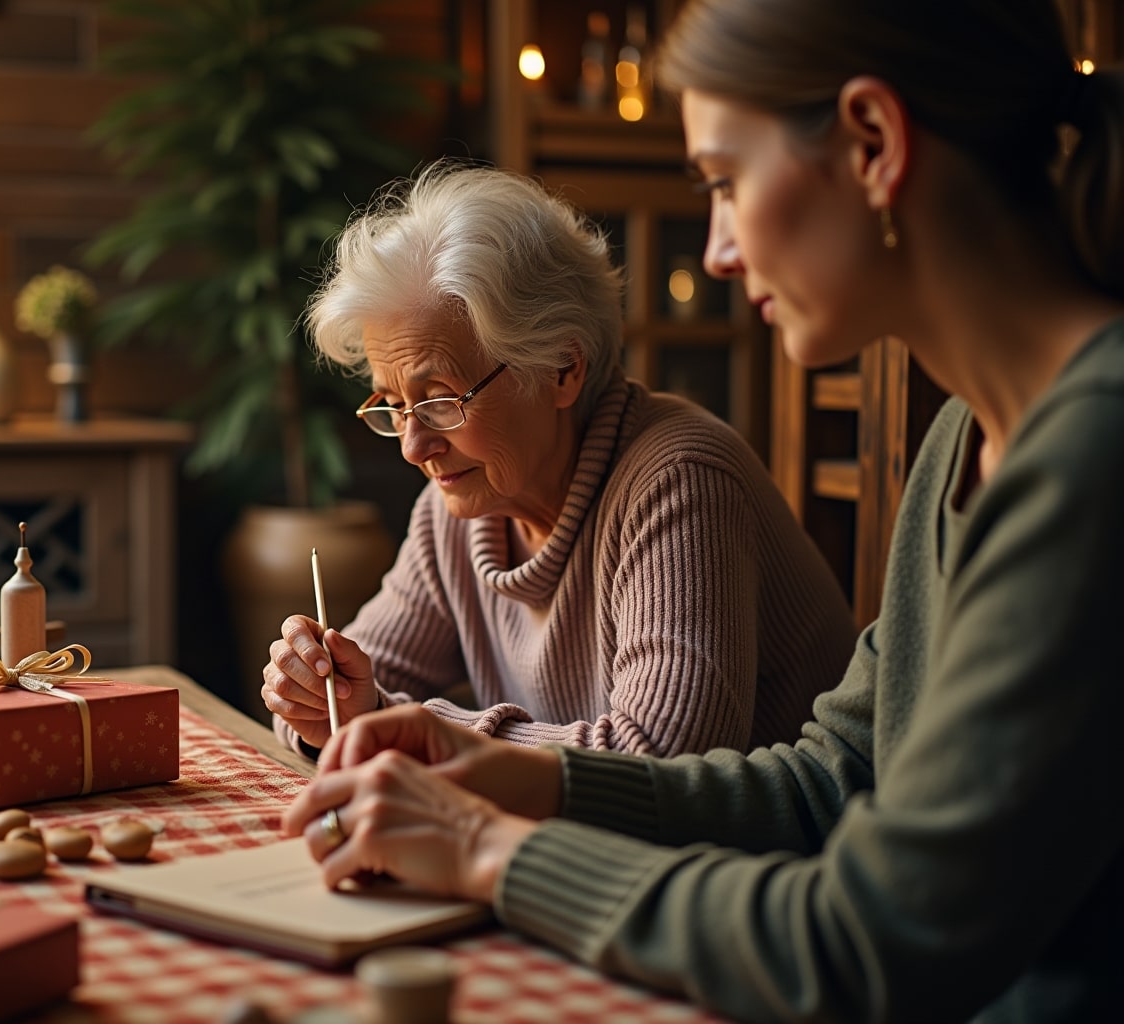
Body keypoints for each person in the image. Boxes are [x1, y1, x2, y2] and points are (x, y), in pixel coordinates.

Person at [282, 1, 1124, 1021]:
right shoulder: (969, 438)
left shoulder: (1091, 457)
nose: (718, 250)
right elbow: (830, 783)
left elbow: (870, 940)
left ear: (873, 144)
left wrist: (484, 844)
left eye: (726, 182)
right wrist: (515, 778)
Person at [262, 163, 856, 758]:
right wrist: (312, 692)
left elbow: (661, 761)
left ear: (561, 368)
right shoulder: (457, 512)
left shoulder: (680, 479)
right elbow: (342, 705)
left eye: (441, 399)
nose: (415, 448)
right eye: (393, 405)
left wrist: (408, 730)